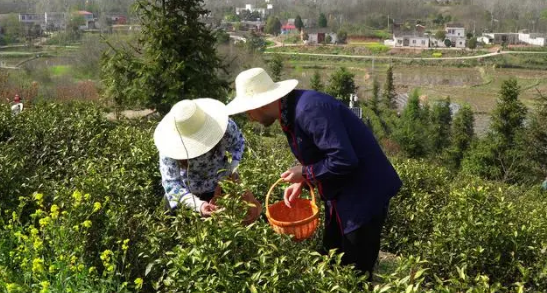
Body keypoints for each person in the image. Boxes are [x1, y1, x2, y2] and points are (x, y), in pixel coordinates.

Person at [226, 68, 402, 281]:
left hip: (363, 195)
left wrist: (305, 173)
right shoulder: (289, 113)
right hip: (341, 193)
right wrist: (303, 180)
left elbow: (344, 159)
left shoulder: (309, 110)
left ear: (261, 104)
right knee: (331, 258)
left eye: (248, 111)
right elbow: (319, 150)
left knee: (356, 272)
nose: (250, 118)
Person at [154, 98, 254, 218]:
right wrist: (198, 205)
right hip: (187, 194)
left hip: (219, 187)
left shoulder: (225, 127)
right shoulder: (168, 147)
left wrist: (230, 172)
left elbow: (237, 144)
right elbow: (171, 183)